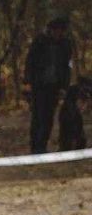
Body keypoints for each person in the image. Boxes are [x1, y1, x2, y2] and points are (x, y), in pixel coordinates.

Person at [24, 17, 73, 154]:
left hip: (54, 86)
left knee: (49, 118)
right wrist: (27, 82)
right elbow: (30, 62)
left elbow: (67, 67)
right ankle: (35, 147)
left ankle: (43, 145)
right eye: (56, 30)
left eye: (61, 30)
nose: (59, 33)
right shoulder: (39, 42)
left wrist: (64, 86)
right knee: (38, 117)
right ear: (51, 29)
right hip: (39, 85)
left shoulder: (66, 44)